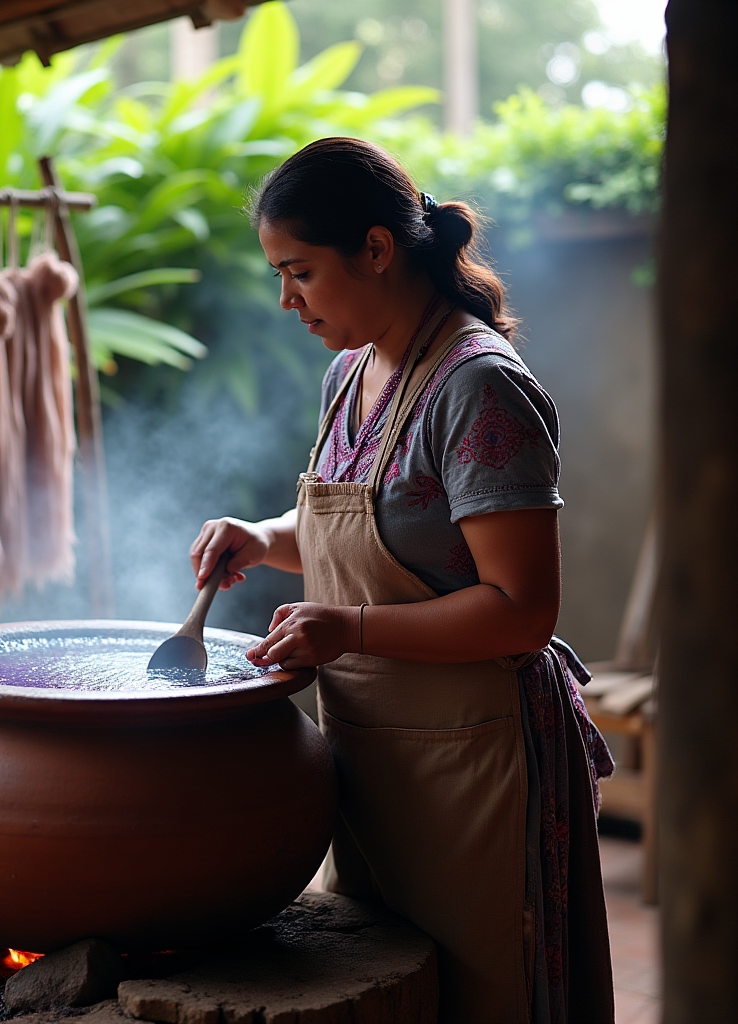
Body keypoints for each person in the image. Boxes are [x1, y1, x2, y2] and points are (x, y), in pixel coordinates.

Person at [189, 138, 615, 1024]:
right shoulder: (351, 371)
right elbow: (369, 536)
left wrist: (347, 629)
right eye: (278, 274)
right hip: (374, 760)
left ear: (377, 249)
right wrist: (260, 538)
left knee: (485, 994)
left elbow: (521, 611)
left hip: (475, 761)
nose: (286, 300)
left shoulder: (479, 388)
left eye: (299, 271)